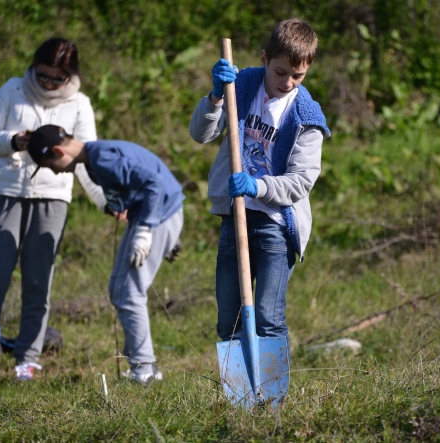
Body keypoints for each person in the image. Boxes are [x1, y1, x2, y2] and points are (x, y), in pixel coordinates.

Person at [0, 38, 108, 382]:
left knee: (39, 282)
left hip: (53, 198)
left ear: (70, 76)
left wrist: (105, 201)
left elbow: (87, 159)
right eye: (44, 75)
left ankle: (27, 359)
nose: (49, 84)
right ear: (34, 67)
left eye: (58, 79)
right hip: (7, 194)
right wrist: (14, 140)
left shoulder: (80, 104)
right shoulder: (11, 91)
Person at [189, 19, 330, 347]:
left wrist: (257, 187)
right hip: (233, 215)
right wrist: (215, 97)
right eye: (281, 73)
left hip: (275, 224)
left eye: (298, 76)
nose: (288, 83)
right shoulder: (242, 87)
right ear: (265, 58)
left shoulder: (305, 116)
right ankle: (238, 395)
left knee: (268, 316)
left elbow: (300, 182)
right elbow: (201, 134)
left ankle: (272, 397)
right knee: (229, 319)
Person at [26, 124, 185, 385]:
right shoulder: (93, 160)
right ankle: (141, 365)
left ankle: (145, 371)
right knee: (118, 289)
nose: (53, 171)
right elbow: (136, 187)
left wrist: (148, 231)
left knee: (130, 293)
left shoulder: (102, 158)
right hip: (152, 216)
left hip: (160, 215)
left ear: (58, 150)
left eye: (49, 165)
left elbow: (155, 183)